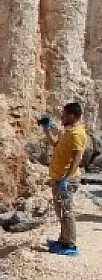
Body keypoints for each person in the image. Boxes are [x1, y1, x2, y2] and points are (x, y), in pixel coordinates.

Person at [41, 102, 88, 257]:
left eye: (65, 114)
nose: (62, 116)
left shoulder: (77, 134)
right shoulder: (68, 132)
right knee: (60, 211)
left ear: (73, 116)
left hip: (66, 180)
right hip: (58, 178)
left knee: (67, 212)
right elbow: (55, 144)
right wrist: (46, 129)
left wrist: (66, 178)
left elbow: (77, 158)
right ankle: (63, 240)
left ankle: (71, 245)